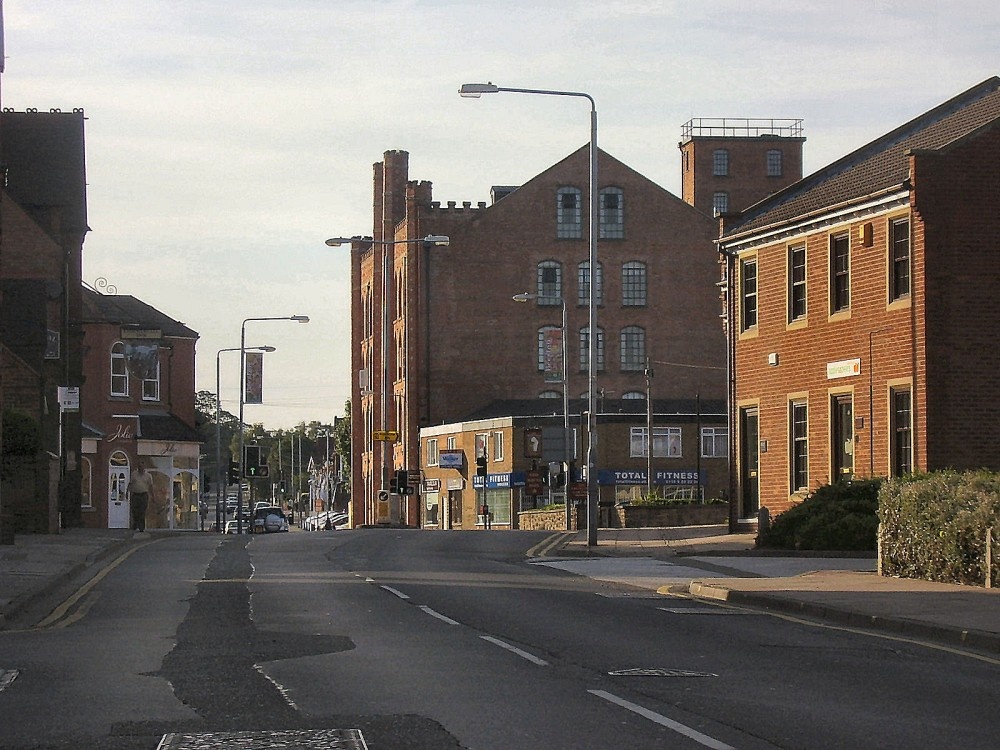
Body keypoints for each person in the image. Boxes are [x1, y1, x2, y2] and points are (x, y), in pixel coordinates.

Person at [128, 465, 154, 533]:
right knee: (135, 510)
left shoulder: (148, 476)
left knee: (142, 511)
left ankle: (141, 527)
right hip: (135, 495)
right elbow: (130, 484)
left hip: (143, 495)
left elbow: (151, 486)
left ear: (144, 468)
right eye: (139, 467)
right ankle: (135, 523)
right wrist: (127, 492)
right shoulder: (134, 474)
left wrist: (153, 496)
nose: (140, 469)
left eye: (142, 467)